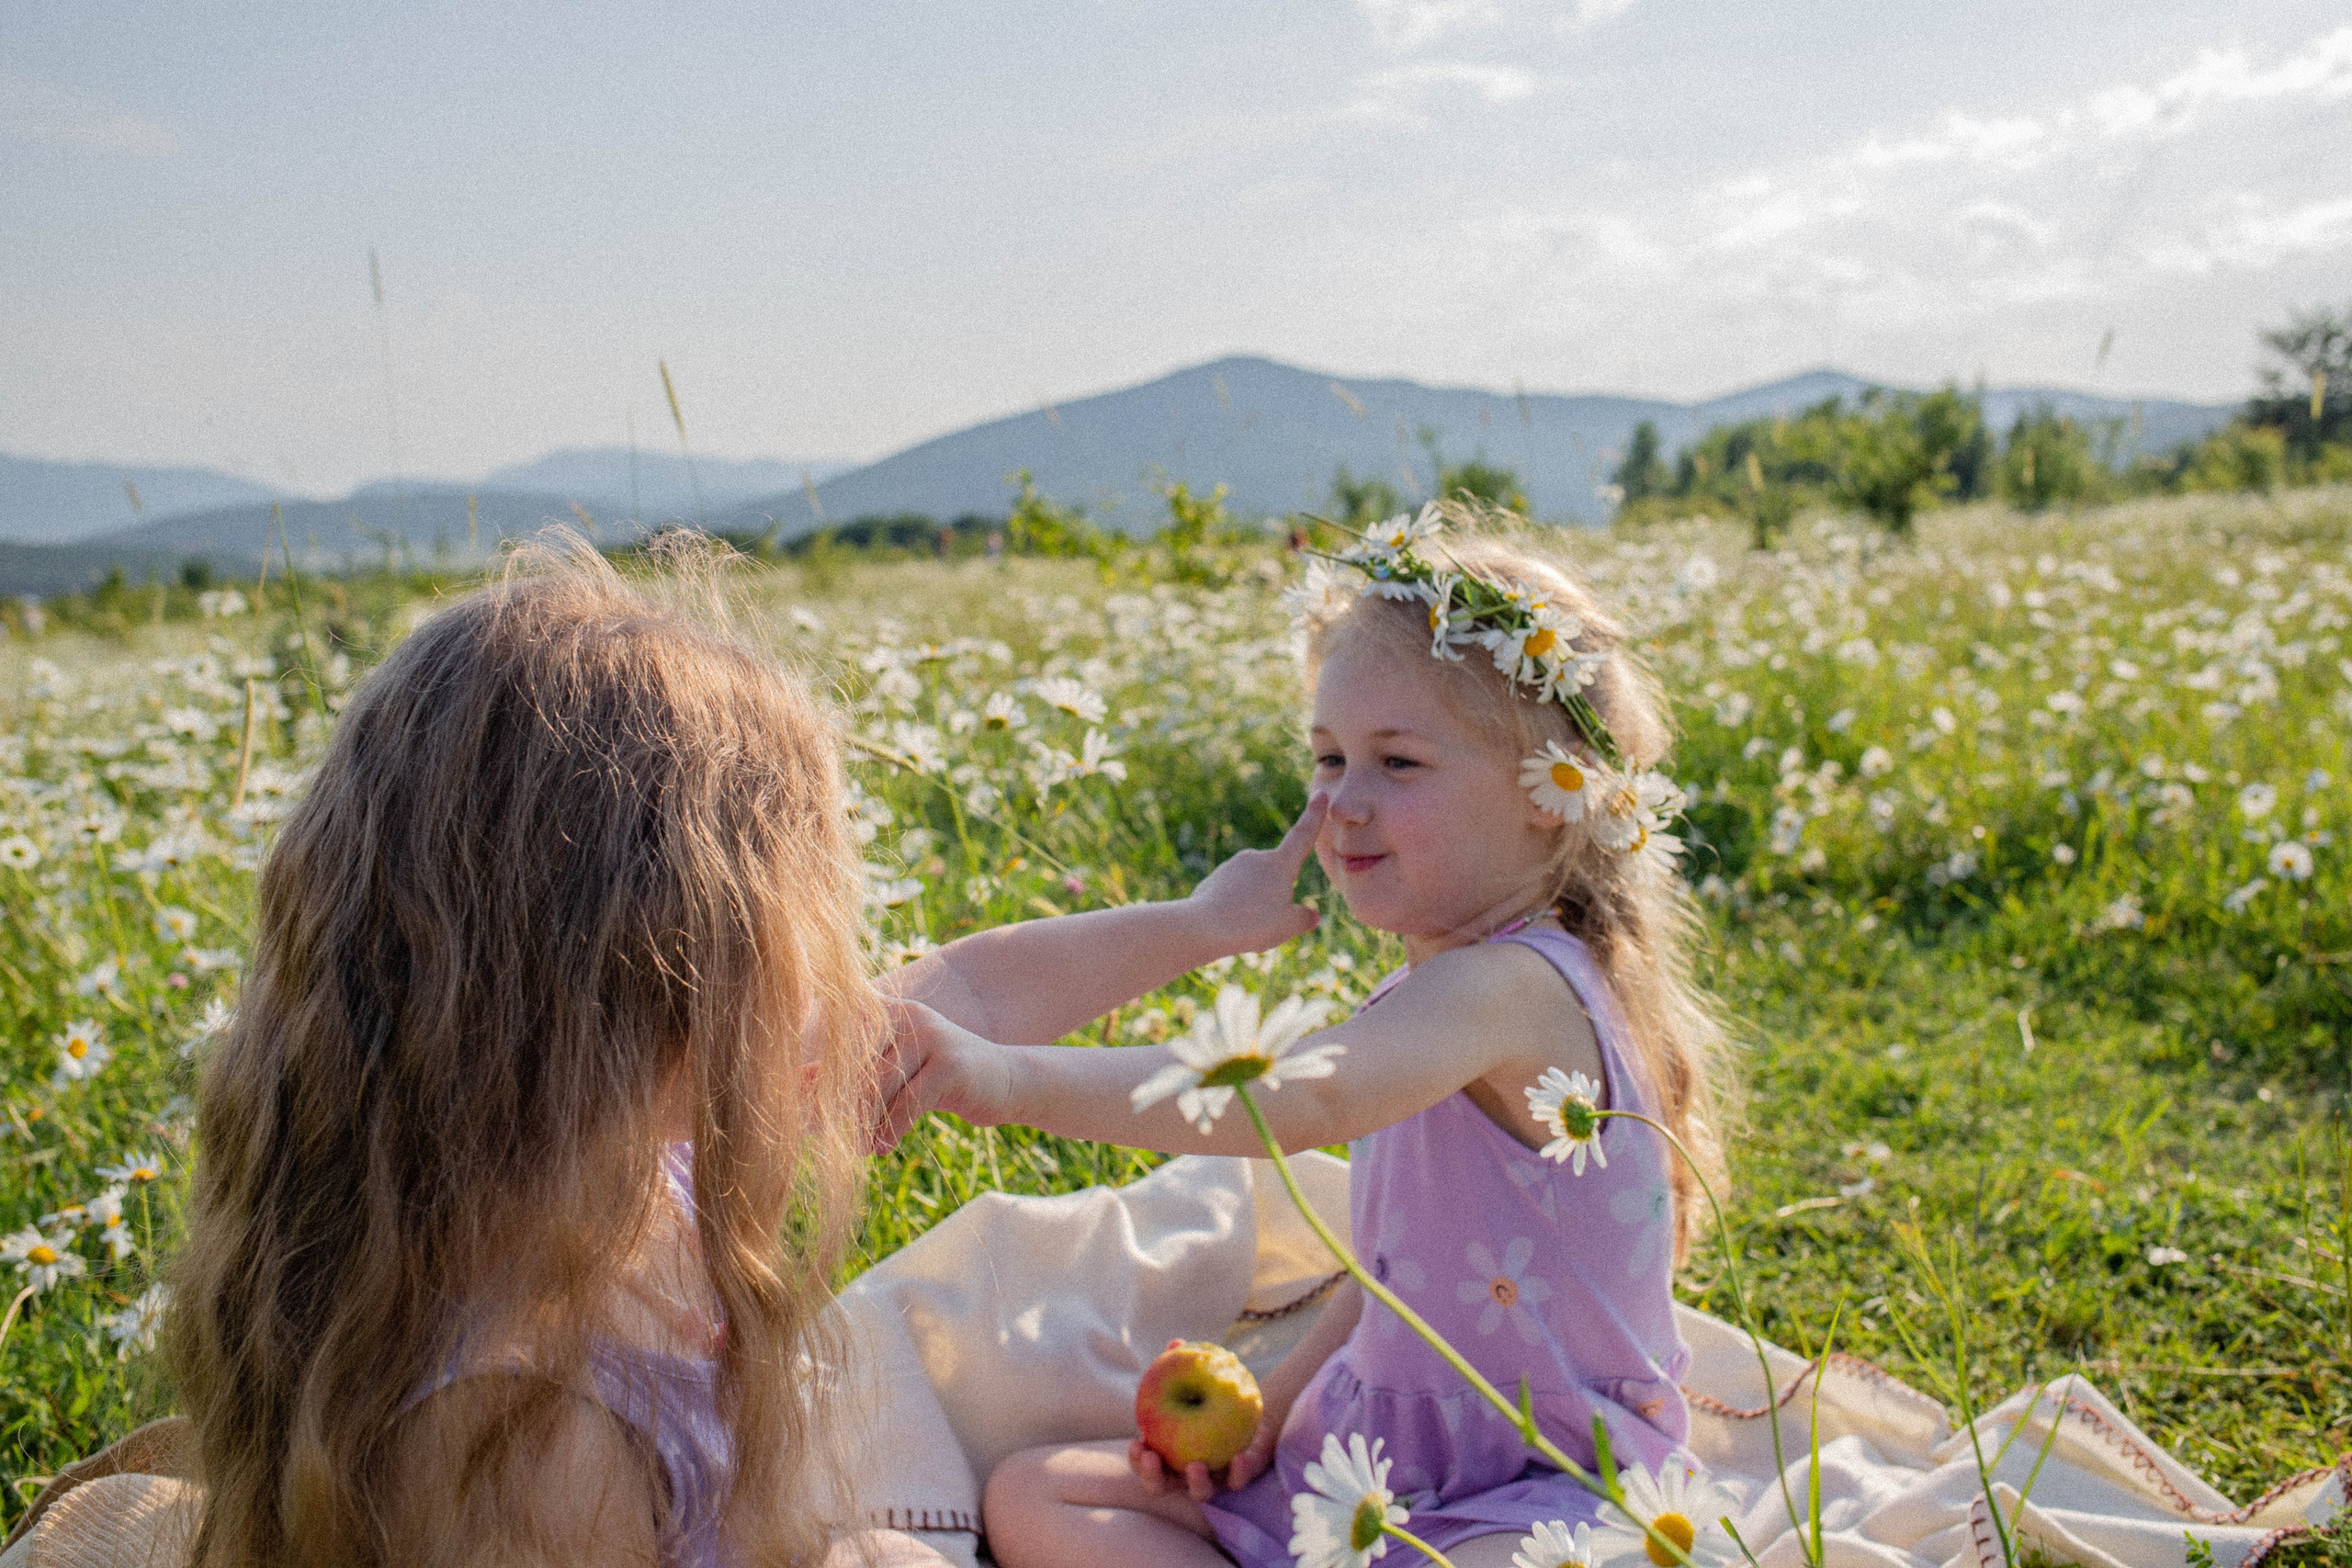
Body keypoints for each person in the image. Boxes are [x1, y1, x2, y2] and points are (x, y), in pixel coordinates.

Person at [880, 505, 1735, 1568]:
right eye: (1327, 756)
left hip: (1542, 1481)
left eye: (1398, 764)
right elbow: (1391, 1265)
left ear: (1550, 795)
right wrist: (1275, 1407)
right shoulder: (1434, 984)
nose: (1341, 803)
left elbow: (1303, 1097)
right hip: (1377, 1463)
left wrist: (1009, 1077)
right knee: (1037, 1492)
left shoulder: (1512, 989)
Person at [164, 536, 954, 1568]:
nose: (833, 988)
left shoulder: (593, 1177)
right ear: (665, 971)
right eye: (806, 930)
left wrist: (1205, 923)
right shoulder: (522, 1439)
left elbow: (960, 989)